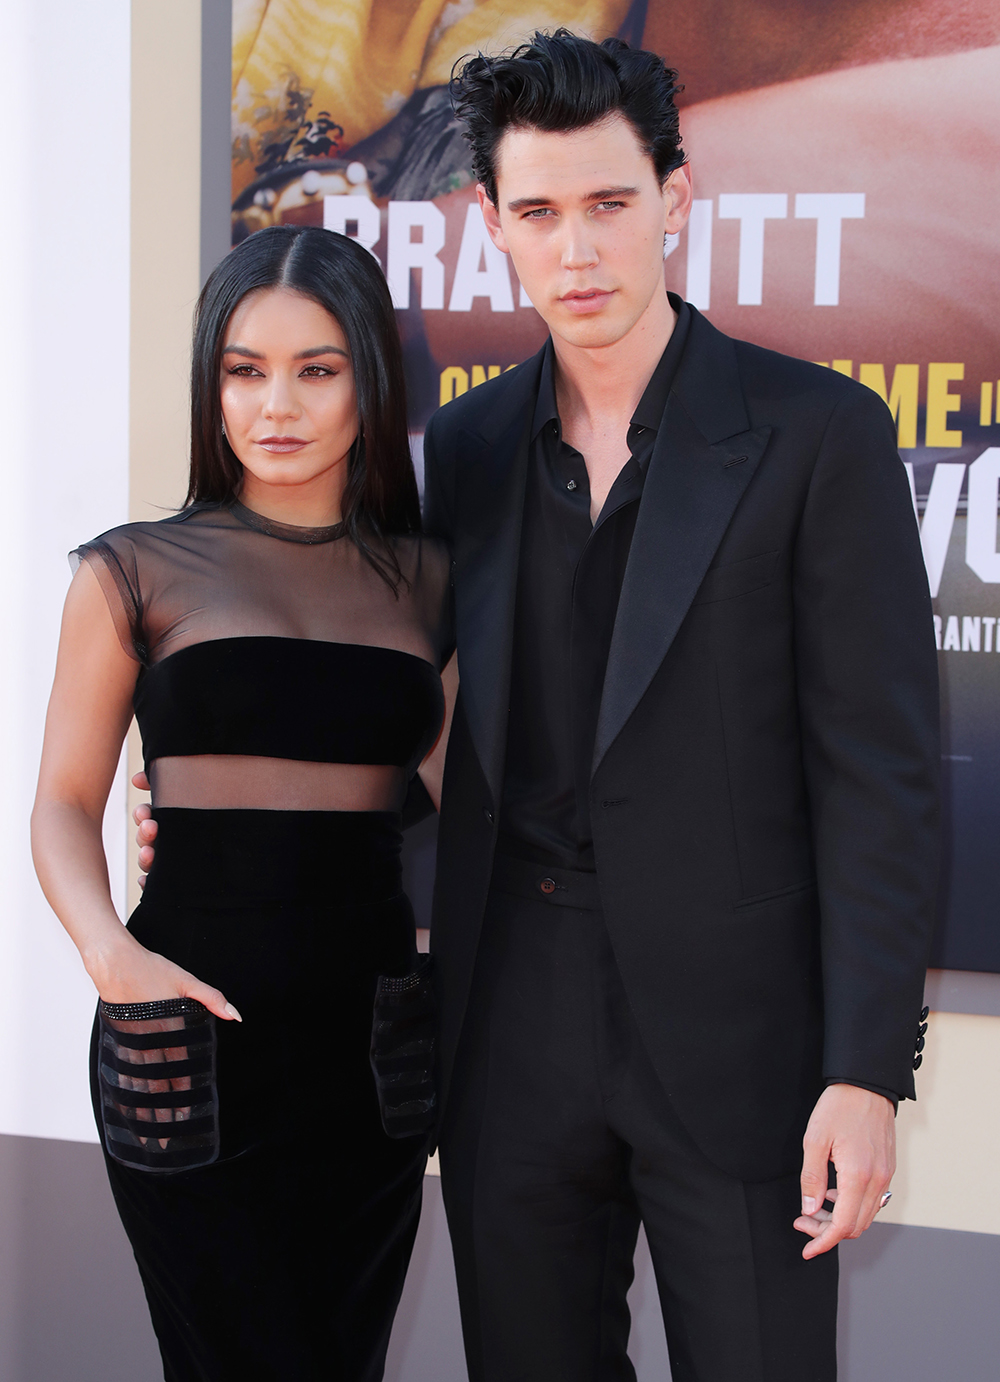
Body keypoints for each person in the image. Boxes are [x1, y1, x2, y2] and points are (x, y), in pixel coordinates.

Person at [417, 32, 938, 1382]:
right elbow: (394, 704)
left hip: (744, 1041)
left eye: (609, 204)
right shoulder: (465, 454)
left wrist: (867, 1070)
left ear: (676, 200)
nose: (576, 249)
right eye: (537, 213)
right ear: (494, 227)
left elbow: (881, 772)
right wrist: (197, 792)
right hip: (511, 1019)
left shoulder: (817, 433)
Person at [32, 224, 455, 1382]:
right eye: (243, 368)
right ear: (209, 384)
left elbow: (477, 803)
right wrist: (109, 951)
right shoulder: (133, 570)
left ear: (370, 381)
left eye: (317, 368)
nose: (278, 403)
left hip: (371, 1061)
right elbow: (64, 800)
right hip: (184, 1033)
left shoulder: (431, 582)